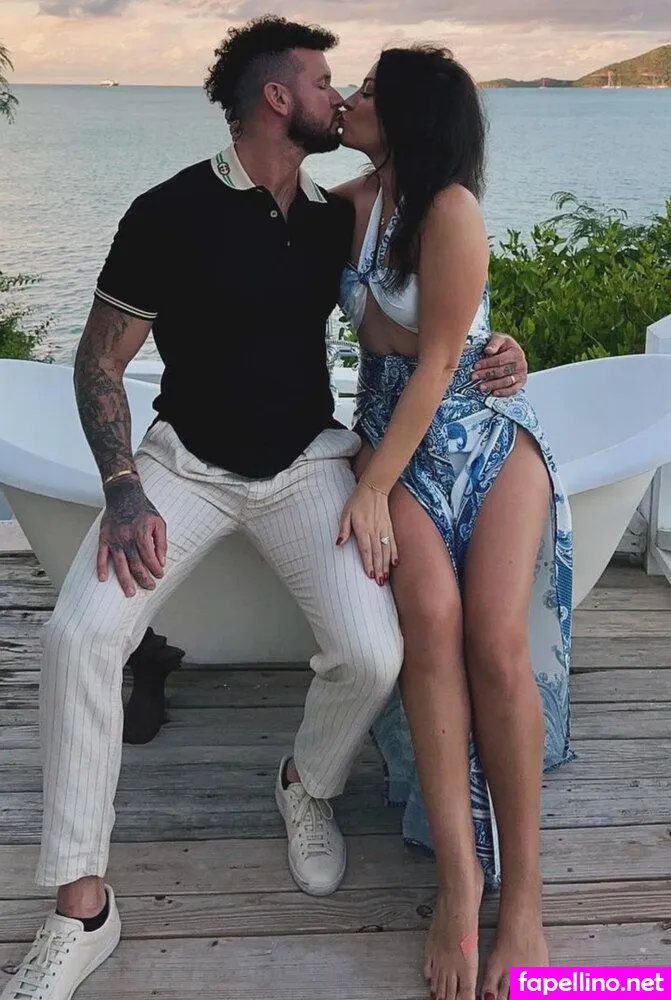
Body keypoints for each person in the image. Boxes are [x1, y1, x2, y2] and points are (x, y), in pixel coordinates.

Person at [0, 18, 530, 1000]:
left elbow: (434, 307)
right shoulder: (167, 211)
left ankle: (305, 784)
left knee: (372, 651)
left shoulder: (339, 214)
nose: (341, 96)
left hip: (307, 462)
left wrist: (500, 348)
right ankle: (81, 909)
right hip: (182, 464)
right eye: (326, 82)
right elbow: (99, 361)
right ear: (278, 98)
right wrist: (121, 489)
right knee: (78, 635)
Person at [330, 46, 574, 1000]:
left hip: (479, 433)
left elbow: (440, 362)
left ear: (408, 115)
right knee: (428, 622)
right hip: (393, 436)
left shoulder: (451, 210)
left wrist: (368, 486)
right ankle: (458, 883)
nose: (350, 100)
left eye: (367, 91)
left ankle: (525, 902)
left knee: (494, 641)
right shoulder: (349, 207)